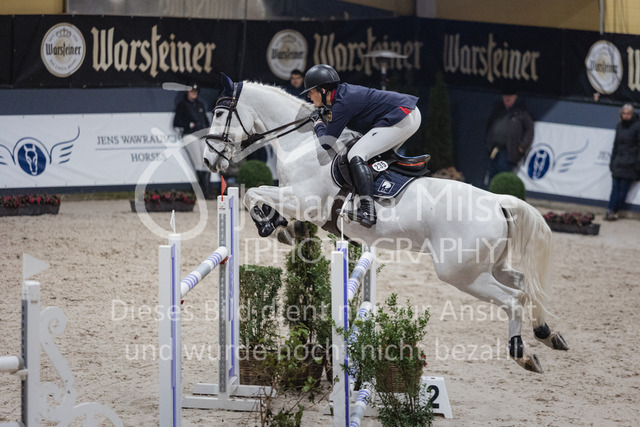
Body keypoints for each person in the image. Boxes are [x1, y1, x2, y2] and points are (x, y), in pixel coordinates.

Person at [302, 64, 421, 228]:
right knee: (372, 156)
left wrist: (317, 123)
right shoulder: (341, 96)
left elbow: (327, 143)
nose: (308, 96)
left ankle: (367, 210)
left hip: (402, 115)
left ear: (322, 90)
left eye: (311, 91)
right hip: (408, 113)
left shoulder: (342, 103)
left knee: (356, 154)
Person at [485, 88, 534, 184]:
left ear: (515, 97)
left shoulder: (521, 112)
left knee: (504, 177)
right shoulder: (498, 110)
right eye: (505, 97)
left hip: (509, 151)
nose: (507, 99)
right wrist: (489, 143)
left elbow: (529, 129)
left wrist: (522, 146)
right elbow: (489, 127)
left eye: (510, 97)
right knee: (492, 176)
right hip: (495, 150)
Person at [173, 84, 213, 198]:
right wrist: (188, 124)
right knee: (198, 162)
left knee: (207, 162)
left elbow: (205, 120)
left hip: (202, 134)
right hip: (190, 134)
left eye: (195, 92)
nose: (193, 94)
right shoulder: (182, 105)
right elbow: (176, 122)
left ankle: (207, 189)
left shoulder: (200, 104)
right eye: (191, 91)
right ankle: (203, 190)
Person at [605, 103, 640, 220]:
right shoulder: (619, 126)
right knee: (614, 190)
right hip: (618, 163)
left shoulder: (637, 127)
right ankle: (610, 210)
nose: (625, 116)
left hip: (630, 165)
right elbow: (615, 145)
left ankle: (614, 210)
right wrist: (612, 161)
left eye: (628, 114)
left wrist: (638, 165)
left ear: (632, 114)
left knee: (622, 192)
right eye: (624, 113)